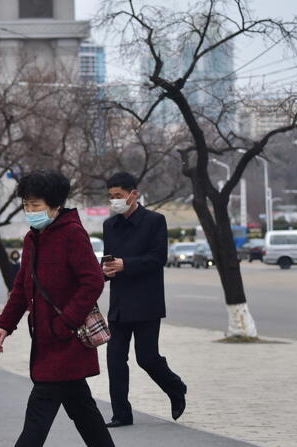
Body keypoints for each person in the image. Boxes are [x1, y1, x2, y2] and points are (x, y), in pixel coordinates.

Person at [0, 169, 114, 447]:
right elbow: (22, 287)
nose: (30, 210)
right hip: (47, 340)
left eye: (35, 205)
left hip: (65, 341)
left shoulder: (72, 234)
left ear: (55, 205)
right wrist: (4, 324)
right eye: (26, 204)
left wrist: (66, 323)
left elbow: (92, 281)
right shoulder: (33, 238)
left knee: (39, 412)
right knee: (83, 411)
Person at [102, 171, 187, 427]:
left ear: (133, 194)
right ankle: (121, 414)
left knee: (146, 358)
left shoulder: (154, 221)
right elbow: (110, 260)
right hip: (119, 302)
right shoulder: (109, 225)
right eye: (111, 197)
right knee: (115, 359)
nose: (114, 201)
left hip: (146, 302)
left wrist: (125, 264)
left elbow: (158, 258)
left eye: (118, 196)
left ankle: (175, 388)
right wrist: (104, 271)